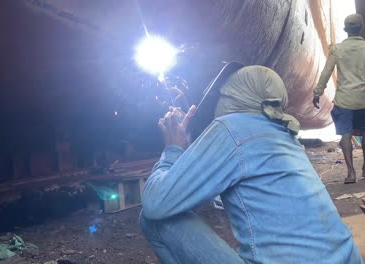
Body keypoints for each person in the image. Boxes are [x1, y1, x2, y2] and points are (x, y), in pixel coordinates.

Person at [140, 66, 362, 263]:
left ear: (237, 95)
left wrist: (173, 150)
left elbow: (156, 203)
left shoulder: (232, 126)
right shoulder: (284, 135)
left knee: (154, 220)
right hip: (348, 257)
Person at [313, 13, 365, 184]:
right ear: (361, 28)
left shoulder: (337, 49)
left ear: (345, 30)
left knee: (345, 135)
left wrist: (317, 92)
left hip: (344, 101)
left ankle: (351, 173)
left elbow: (326, 72)